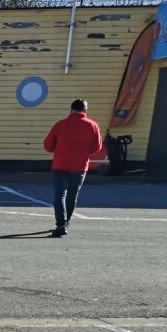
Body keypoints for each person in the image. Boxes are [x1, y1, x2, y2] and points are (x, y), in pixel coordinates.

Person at [42, 99, 102, 238]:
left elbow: (48, 145)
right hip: (80, 166)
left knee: (60, 195)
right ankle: (66, 222)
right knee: (72, 195)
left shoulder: (60, 125)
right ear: (85, 111)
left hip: (61, 165)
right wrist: (83, 152)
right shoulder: (93, 126)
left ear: (70, 109)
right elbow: (97, 147)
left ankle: (61, 223)